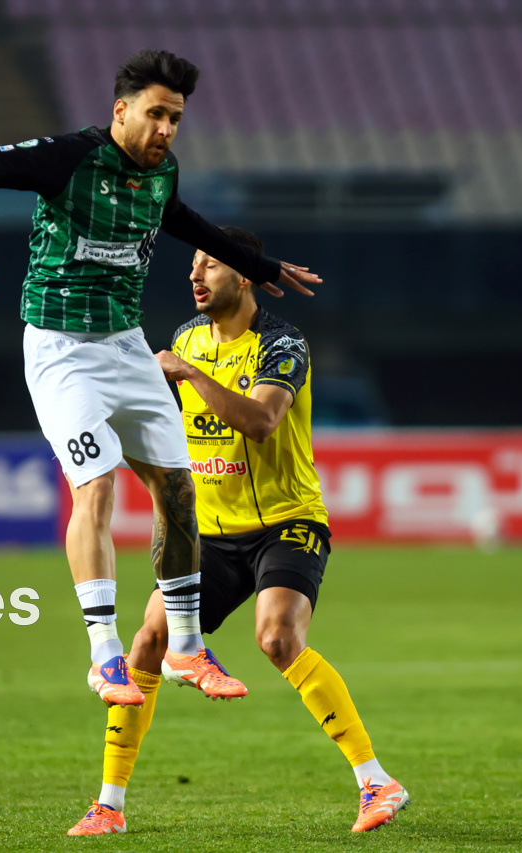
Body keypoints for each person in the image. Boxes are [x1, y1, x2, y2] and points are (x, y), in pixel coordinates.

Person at [0, 50, 320, 706]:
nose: (166, 129)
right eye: (156, 114)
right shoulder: (67, 159)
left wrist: (263, 264)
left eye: (175, 118)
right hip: (62, 349)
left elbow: (183, 220)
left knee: (177, 490)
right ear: (121, 110)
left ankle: (187, 648)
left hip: (126, 344)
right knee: (97, 485)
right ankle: (105, 655)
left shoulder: (160, 172)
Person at [67, 227, 408, 837]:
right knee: (147, 640)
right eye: (193, 265)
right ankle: (109, 805)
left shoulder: (282, 343)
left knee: (277, 638)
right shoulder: (187, 337)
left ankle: (377, 781)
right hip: (213, 534)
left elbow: (262, 421)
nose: (195, 275)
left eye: (210, 265)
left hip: (287, 521)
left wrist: (190, 374)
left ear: (244, 275)